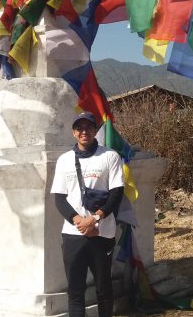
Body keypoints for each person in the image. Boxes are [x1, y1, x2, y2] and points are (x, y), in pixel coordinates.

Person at [50, 111, 125, 317]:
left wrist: (95, 219)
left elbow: (116, 192)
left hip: (102, 232)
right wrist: (80, 222)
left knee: (103, 288)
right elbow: (59, 197)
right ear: (74, 133)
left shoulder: (110, 156)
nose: (84, 132)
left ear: (95, 130)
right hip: (74, 234)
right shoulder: (65, 160)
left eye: (89, 127)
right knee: (75, 291)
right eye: (80, 128)